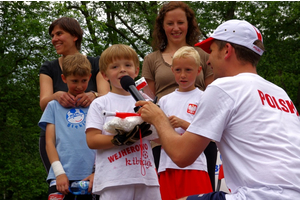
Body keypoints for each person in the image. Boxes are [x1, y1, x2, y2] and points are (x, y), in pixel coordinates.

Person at [136, 19, 300, 200]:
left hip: (258, 195)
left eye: (211, 51)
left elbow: (181, 156)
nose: (208, 61)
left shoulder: (224, 87)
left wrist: (158, 116)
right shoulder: (280, 93)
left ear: (227, 50)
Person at [142, 1, 217, 189]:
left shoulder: (204, 55)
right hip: (164, 137)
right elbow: (148, 100)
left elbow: (214, 95)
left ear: (188, 24)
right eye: (170, 23)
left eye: (180, 22)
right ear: (162, 26)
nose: (176, 28)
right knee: (166, 190)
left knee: (202, 192)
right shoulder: (152, 59)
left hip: (199, 135)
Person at [85, 44, 161, 200]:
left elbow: (160, 137)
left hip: (147, 178)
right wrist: (119, 139)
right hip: (114, 180)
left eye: (128, 65)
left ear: (136, 70)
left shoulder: (146, 102)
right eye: (115, 66)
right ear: (105, 75)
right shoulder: (100, 103)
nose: (122, 70)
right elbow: (92, 140)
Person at [39, 17, 110, 174]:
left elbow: (106, 95)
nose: (54, 39)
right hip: (56, 141)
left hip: (92, 137)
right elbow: (44, 103)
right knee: (60, 186)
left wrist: (94, 94)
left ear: (75, 36)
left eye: (59, 34)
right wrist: (56, 96)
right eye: (52, 36)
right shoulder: (48, 67)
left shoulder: (96, 63)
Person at [39, 54, 98, 199]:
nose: (79, 86)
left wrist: (97, 172)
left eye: (84, 80)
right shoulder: (53, 106)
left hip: (91, 178)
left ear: (90, 77)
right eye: (74, 81)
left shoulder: (97, 106)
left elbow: (101, 142)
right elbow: (49, 143)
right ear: (64, 78)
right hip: (60, 177)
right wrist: (59, 173)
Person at [158, 46, 212, 200]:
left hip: (194, 166)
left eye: (188, 70)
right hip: (166, 165)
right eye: (178, 70)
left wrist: (182, 123)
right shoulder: (164, 100)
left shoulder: (204, 97)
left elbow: (209, 132)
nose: (183, 75)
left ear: (199, 70)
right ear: (172, 70)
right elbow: (157, 136)